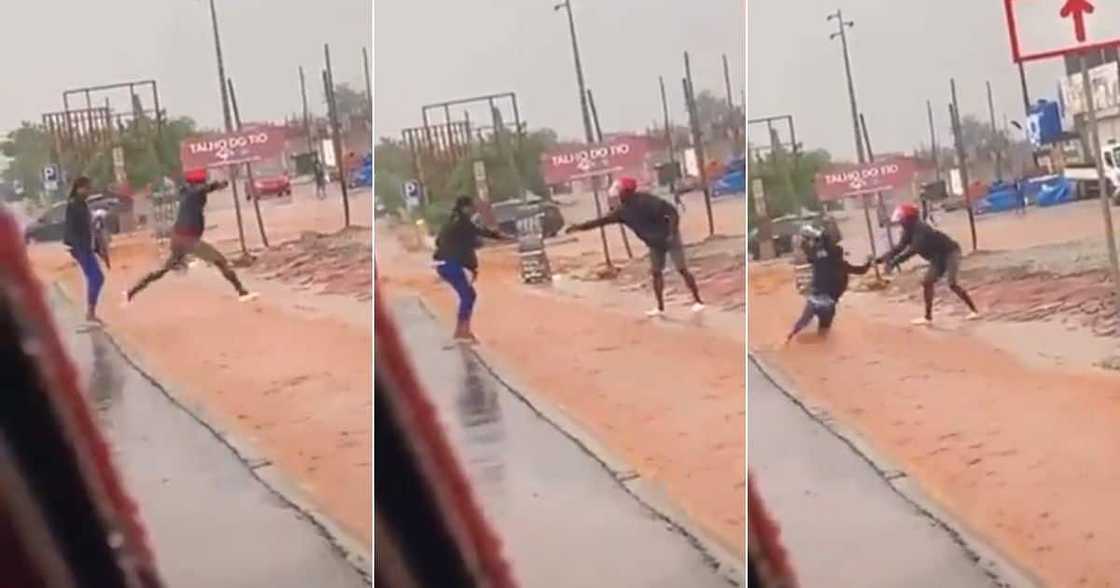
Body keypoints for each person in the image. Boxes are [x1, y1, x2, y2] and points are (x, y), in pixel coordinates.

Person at [566, 176, 704, 317]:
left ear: (626, 191)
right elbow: (602, 221)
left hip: (670, 238)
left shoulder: (647, 201)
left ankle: (698, 301)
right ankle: (660, 307)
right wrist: (579, 227)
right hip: (654, 243)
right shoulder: (623, 211)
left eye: (619, 189)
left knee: (681, 269)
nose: (616, 193)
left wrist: (672, 231)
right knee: (656, 272)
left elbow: (672, 211)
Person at [125, 169, 256, 303]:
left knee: (164, 269)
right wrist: (218, 184)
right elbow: (203, 189)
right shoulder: (196, 192)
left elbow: (199, 189)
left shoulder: (185, 192)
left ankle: (133, 291)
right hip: (190, 240)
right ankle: (242, 291)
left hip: (177, 238)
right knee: (220, 261)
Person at [877, 202, 980, 325]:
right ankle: (928, 317)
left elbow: (912, 251)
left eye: (902, 219)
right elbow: (899, 247)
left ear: (909, 219)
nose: (900, 222)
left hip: (950, 253)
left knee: (952, 283)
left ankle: (975, 311)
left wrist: (893, 263)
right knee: (927, 282)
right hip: (937, 258)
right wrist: (881, 259)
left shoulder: (921, 230)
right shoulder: (908, 230)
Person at [432, 195, 512, 342]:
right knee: (468, 296)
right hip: (453, 264)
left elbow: (438, 241)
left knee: (468, 296)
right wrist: (502, 237)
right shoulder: (463, 222)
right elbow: (480, 232)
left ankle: (461, 330)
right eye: (471, 207)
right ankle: (462, 332)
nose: (472, 210)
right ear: (465, 207)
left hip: (443, 264)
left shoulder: (450, 221)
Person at [785, 224, 871, 343]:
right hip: (829, 304)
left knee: (799, 325)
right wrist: (870, 262)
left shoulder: (817, 258)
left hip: (814, 300)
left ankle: (787, 340)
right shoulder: (841, 264)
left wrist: (807, 240)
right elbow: (861, 270)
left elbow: (809, 252)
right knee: (823, 334)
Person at [63, 176, 105, 323]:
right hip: (80, 247)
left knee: (96, 278)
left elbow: (86, 226)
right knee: (96, 277)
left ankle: (91, 312)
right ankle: (90, 313)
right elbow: (71, 229)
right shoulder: (74, 205)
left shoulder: (82, 204)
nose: (89, 191)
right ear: (79, 188)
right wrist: (78, 247)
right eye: (87, 188)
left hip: (85, 246)